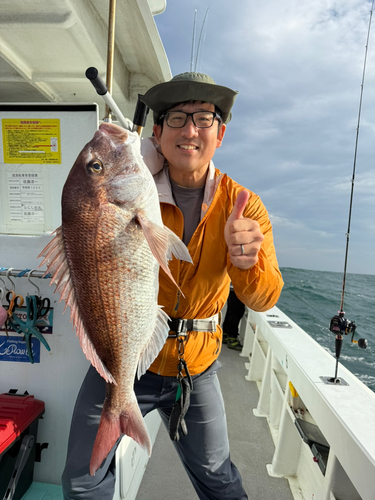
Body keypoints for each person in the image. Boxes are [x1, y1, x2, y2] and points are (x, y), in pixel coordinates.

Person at [62, 72, 283, 500]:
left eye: (204, 117)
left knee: (219, 478)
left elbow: (263, 297)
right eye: (177, 118)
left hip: (195, 368)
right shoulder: (135, 189)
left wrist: (247, 264)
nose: (191, 129)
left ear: (220, 134)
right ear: (158, 134)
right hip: (120, 366)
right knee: (82, 479)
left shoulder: (245, 205)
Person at [222, 285, 245, 350]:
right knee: (237, 311)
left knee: (231, 310)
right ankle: (232, 338)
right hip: (237, 288)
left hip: (232, 287)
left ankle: (225, 334)